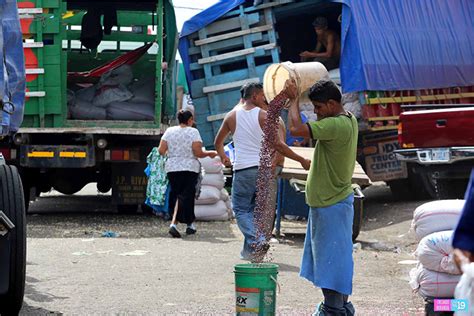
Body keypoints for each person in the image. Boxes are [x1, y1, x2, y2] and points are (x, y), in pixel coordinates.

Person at [214, 83, 310, 261]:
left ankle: (257, 240)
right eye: (263, 95)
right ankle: (251, 251)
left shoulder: (231, 116)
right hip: (264, 171)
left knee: (242, 210)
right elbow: (279, 145)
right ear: (255, 96)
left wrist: (223, 157)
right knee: (254, 212)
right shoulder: (265, 117)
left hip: (243, 170)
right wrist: (301, 160)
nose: (265, 99)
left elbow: (217, 142)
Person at [287, 79, 357, 315]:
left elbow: (296, 129)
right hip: (333, 204)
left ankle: (333, 310)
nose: (316, 113)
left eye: (318, 108)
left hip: (330, 205)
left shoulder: (335, 125)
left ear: (331, 103)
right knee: (334, 263)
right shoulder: (349, 119)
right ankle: (339, 308)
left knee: (331, 267)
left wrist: (293, 100)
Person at [158, 110, 217, 238]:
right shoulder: (193, 132)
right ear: (190, 120)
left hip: (172, 168)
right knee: (186, 196)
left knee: (177, 194)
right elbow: (198, 153)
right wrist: (210, 154)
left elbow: (161, 150)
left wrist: (173, 154)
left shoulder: (169, 131)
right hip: (189, 168)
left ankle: (190, 225)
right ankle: (174, 224)